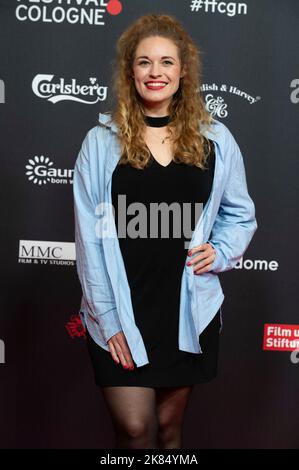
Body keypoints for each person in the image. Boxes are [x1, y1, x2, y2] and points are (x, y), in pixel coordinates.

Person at [73, 13, 257, 449]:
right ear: (130, 71)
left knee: (170, 432)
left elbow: (241, 214)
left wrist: (223, 249)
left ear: (184, 71)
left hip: (188, 312)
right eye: (144, 62)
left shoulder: (217, 139)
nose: (155, 72)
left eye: (166, 62)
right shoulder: (100, 143)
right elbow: (89, 241)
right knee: (136, 431)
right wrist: (109, 319)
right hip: (119, 308)